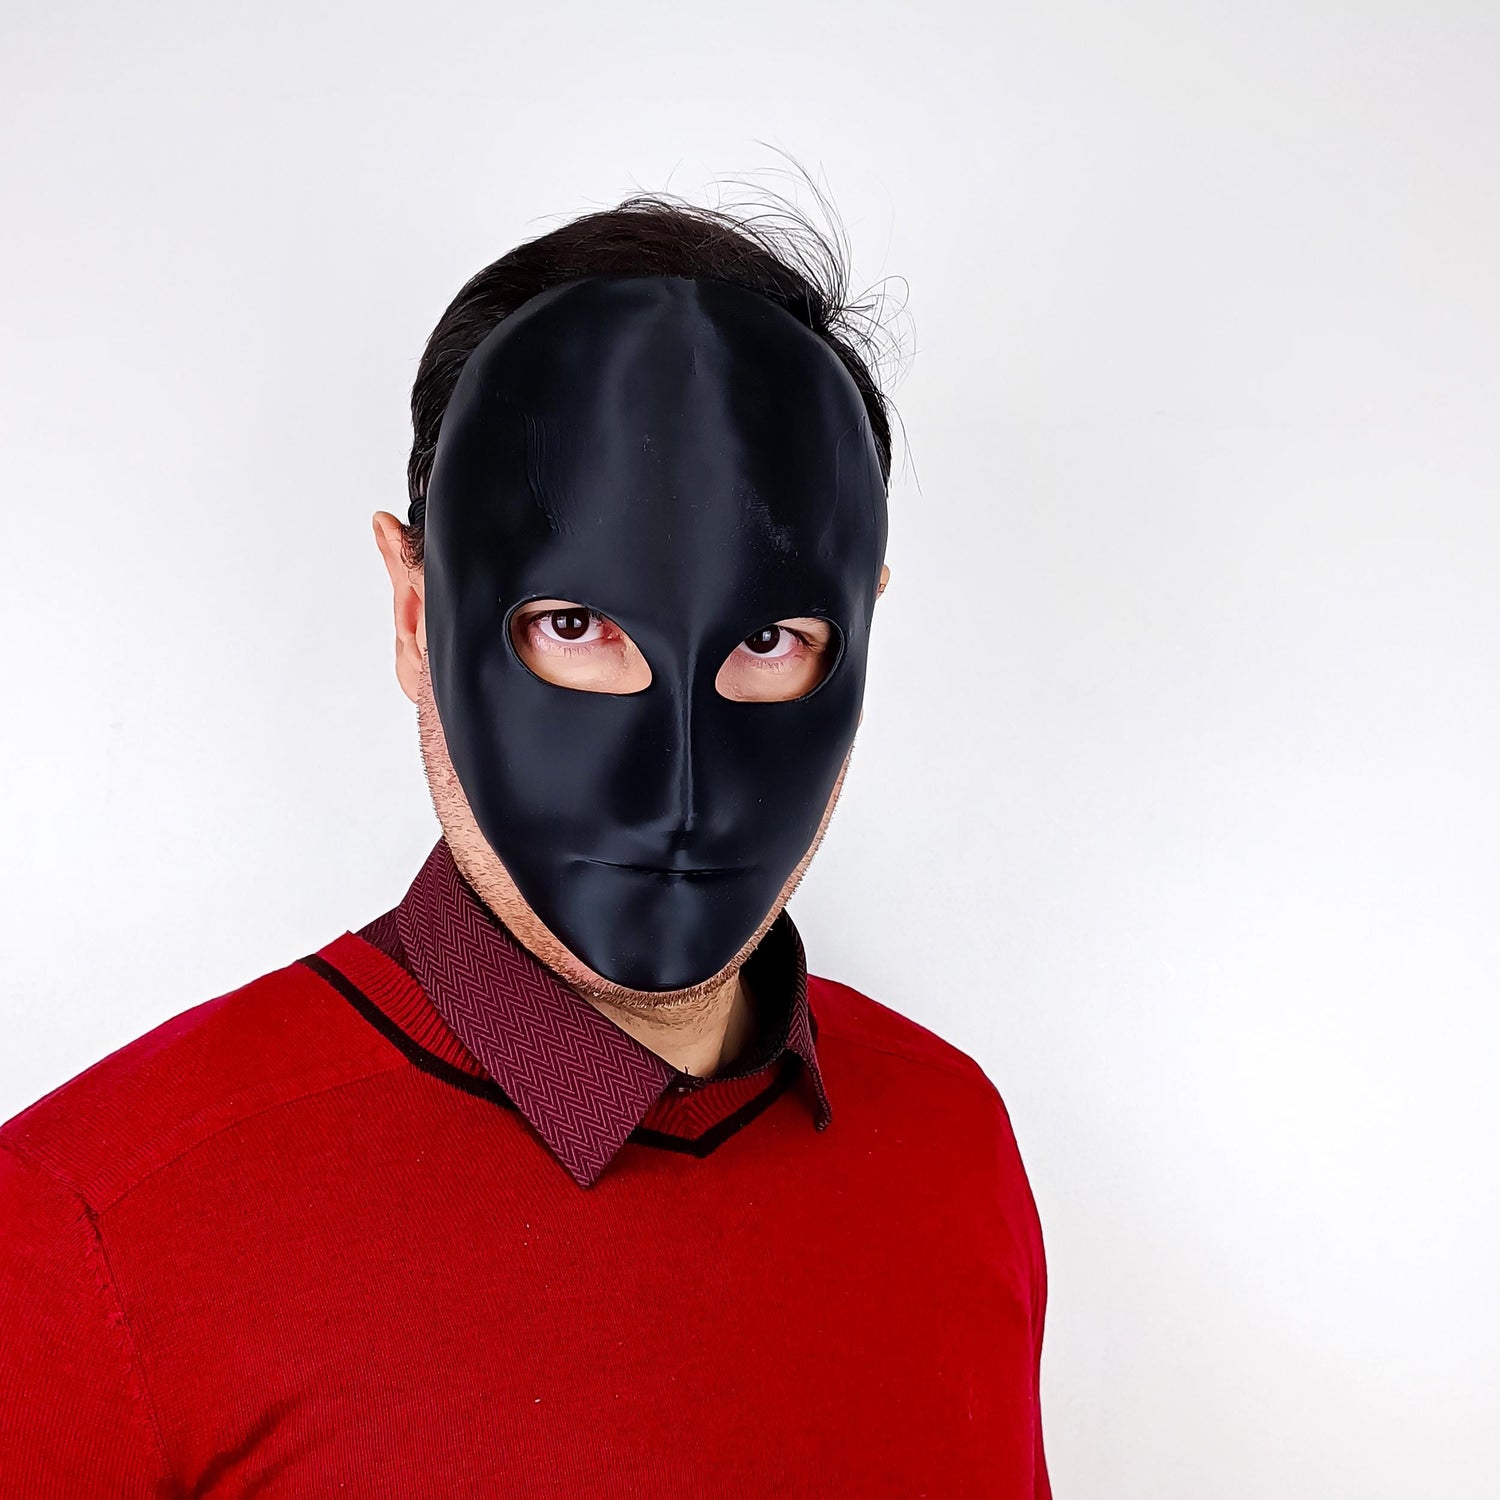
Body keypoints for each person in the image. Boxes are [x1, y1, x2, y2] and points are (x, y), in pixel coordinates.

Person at [0, 195, 1051, 1497]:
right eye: (572, 627)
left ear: (861, 626)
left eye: (767, 640)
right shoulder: (86, 1234)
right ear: (413, 609)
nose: (674, 790)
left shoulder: (950, 1143)